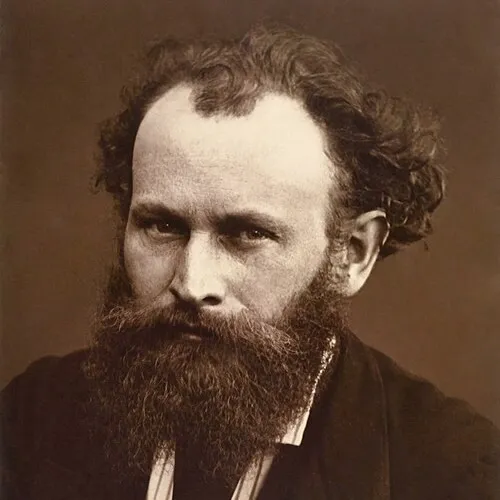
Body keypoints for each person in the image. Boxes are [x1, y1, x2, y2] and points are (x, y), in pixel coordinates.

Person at [1, 25, 499, 500]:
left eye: (248, 234)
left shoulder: (454, 474)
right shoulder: (31, 418)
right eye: (162, 226)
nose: (193, 283)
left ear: (351, 253)